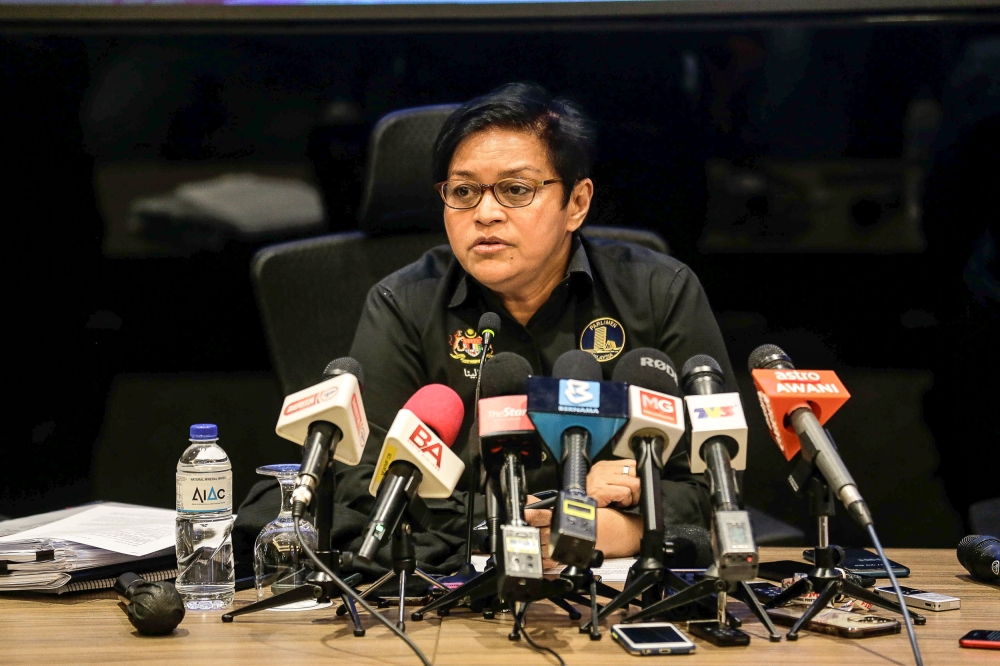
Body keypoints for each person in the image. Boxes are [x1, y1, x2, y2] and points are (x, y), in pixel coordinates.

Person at [329, 82, 736, 572]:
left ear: (577, 203)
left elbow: (715, 476)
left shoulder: (660, 292)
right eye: (463, 192)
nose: (485, 213)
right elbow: (366, 484)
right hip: (460, 586)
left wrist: (622, 530)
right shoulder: (403, 304)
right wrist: (531, 513)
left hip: (624, 585)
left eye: (516, 190)